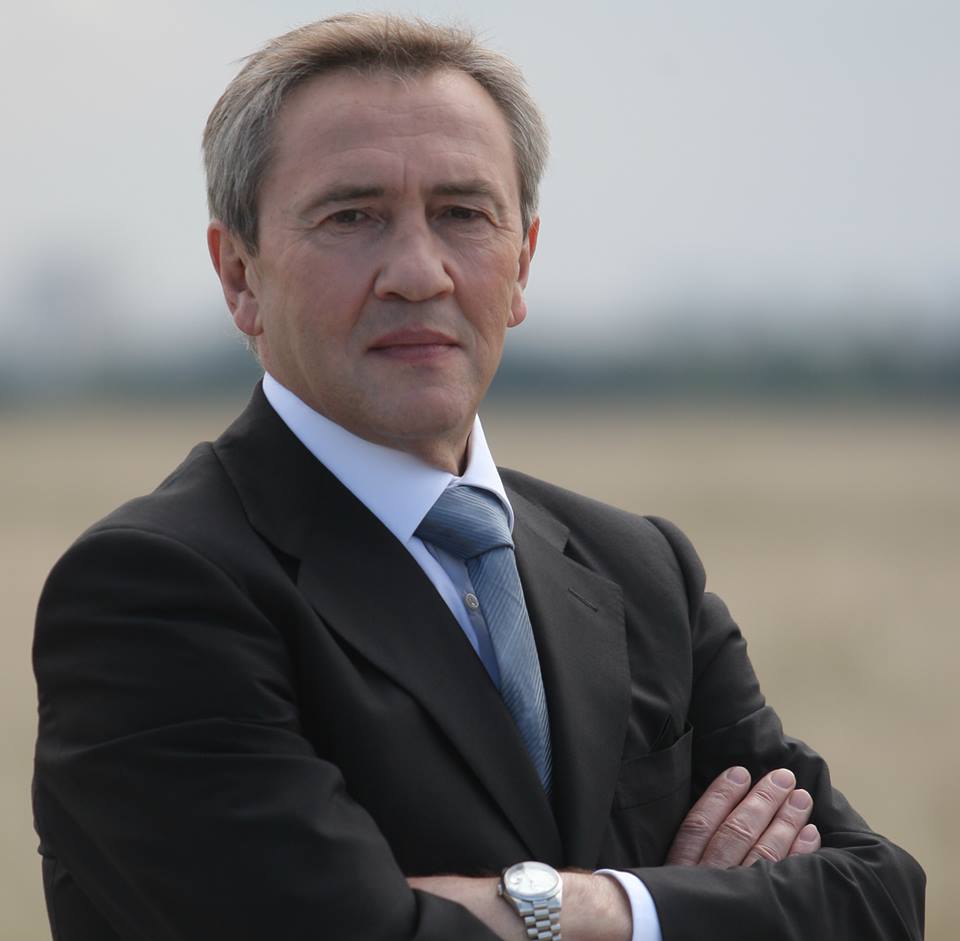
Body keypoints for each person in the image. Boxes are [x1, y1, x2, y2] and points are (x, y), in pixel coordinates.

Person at [32, 13, 924, 941]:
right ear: (239, 275)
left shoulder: (641, 571)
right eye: (351, 216)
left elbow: (878, 898)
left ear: (523, 260)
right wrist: (682, 907)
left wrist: (591, 906)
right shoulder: (152, 592)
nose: (419, 273)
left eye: (463, 213)